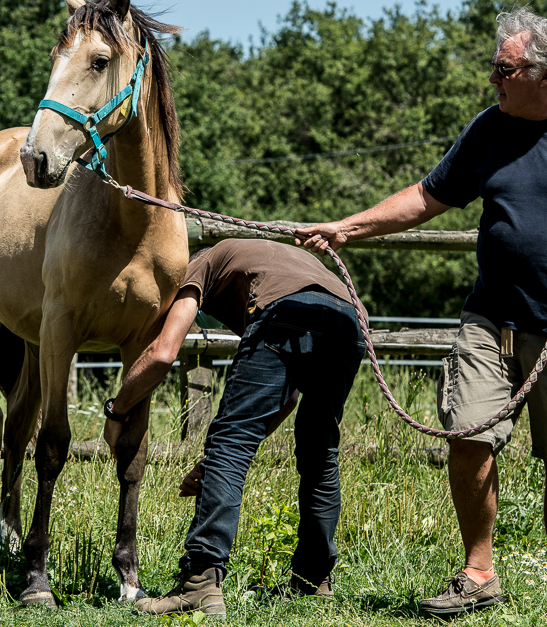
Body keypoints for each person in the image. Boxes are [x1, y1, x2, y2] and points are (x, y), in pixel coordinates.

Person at [299, 8, 547, 624]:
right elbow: (426, 196)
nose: (492, 78)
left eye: (504, 68)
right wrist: (347, 228)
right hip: (489, 319)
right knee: (468, 435)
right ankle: (478, 575)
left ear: (545, 73)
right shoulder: (489, 128)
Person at [103, 238, 366, 619]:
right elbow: (286, 399)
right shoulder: (264, 261)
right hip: (350, 320)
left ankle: (199, 582)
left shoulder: (199, 266)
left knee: (229, 442)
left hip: (286, 311)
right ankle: (313, 579)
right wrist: (212, 465)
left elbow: (163, 352)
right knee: (319, 451)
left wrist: (117, 411)